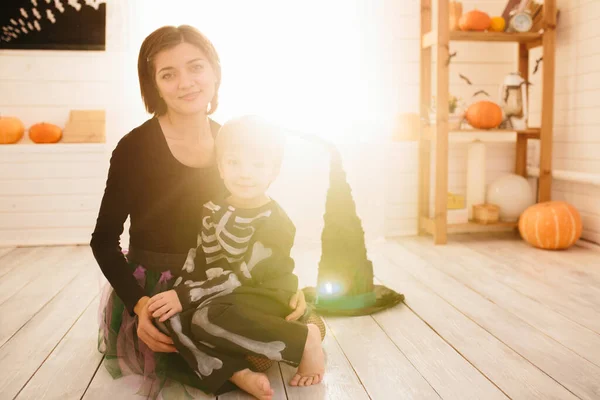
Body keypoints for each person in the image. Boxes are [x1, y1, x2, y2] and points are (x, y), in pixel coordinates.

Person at [91, 25, 307, 398]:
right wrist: (138, 304)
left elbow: (259, 216)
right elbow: (103, 241)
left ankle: (282, 340)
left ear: (215, 71)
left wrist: (284, 283)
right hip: (159, 285)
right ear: (153, 85)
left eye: (196, 67)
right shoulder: (134, 148)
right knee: (171, 337)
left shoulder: (233, 142)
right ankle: (232, 371)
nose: (186, 82)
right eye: (168, 74)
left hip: (223, 276)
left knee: (272, 316)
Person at [145, 116, 325, 399]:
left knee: (205, 318)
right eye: (234, 163)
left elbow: (244, 275)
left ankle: (304, 339)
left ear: (273, 171)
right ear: (220, 167)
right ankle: (235, 371)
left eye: (257, 165)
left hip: (264, 292)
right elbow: (199, 258)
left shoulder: (275, 222)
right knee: (168, 318)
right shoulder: (212, 209)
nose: (245, 173)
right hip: (218, 292)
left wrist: (189, 297)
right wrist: (178, 293)